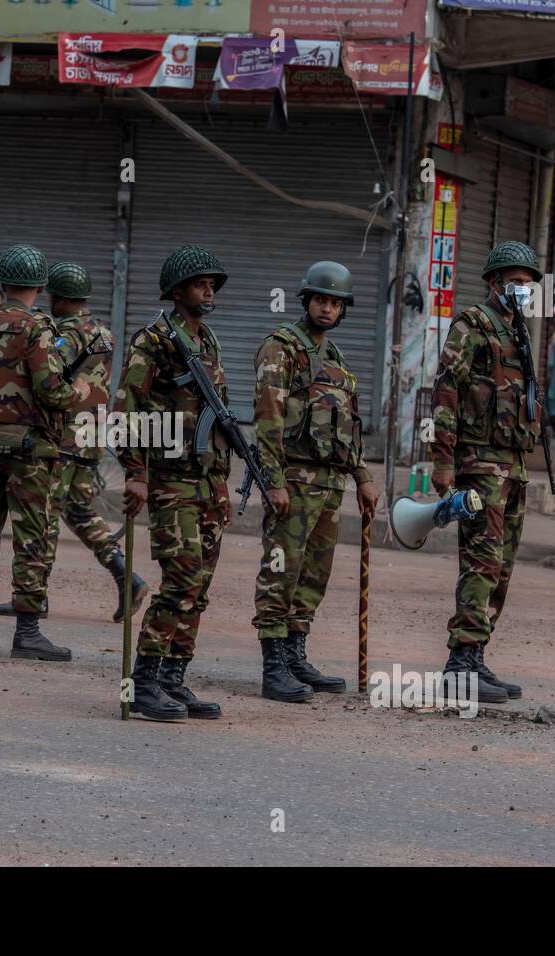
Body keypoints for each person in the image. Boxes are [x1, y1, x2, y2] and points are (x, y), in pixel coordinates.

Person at [0, 244, 91, 660]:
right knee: (32, 538)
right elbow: (49, 388)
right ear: (41, 287)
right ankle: (27, 633)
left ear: (5, 283)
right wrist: (76, 392)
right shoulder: (38, 329)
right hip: (30, 452)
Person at [0, 261, 148, 623]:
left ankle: (33, 596)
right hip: (90, 437)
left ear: (59, 298)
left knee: (47, 516)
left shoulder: (63, 335)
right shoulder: (103, 332)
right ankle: (127, 576)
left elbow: (49, 379)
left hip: (63, 439)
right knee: (78, 510)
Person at [251, 260, 378, 703]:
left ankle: (295, 654)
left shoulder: (338, 360)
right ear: (306, 301)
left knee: (314, 574)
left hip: (329, 486)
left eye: (335, 303)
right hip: (293, 480)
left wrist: (362, 477)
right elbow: (267, 422)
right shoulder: (281, 348)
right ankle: (273, 667)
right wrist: (273, 482)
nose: (327, 309)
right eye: (321, 300)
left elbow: (351, 427)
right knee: (281, 570)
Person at [116, 245, 232, 723]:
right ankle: (142, 682)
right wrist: (136, 474)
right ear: (178, 289)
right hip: (170, 482)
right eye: (201, 282)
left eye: (212, 283)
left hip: (208, 481)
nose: (209, 289)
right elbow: (126, 408)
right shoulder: (154, 340)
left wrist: (226, 477)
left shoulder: (207, 341)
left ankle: (173, 678)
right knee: (181, 578)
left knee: (199, 585)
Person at [431, 241, 545, 705]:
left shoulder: (518, 333)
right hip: (480, 465)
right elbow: (446, 389)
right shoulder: (473, 325)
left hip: (512, 466)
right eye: (516, 282)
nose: (523, 290)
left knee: (501, 566)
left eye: (529, 283)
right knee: (481, 561)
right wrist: (441, 461)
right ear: (496, 283)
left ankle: (475, 656)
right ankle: (460, 663)